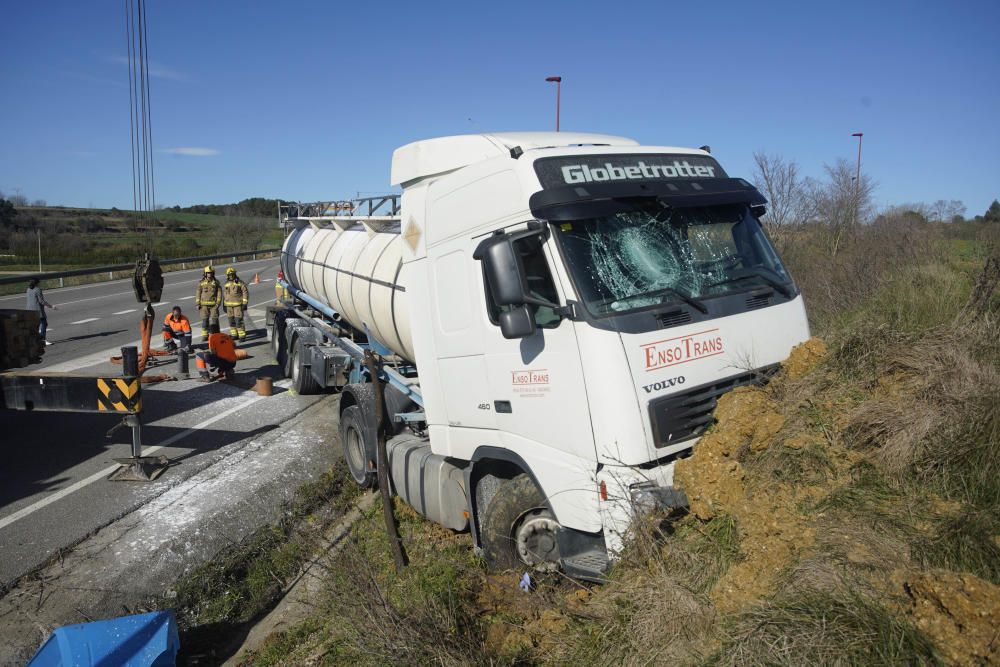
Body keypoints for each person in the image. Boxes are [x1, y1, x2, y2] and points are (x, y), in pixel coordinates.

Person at [25, 278, 57, 345]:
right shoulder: (38, 289)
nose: (40, 284)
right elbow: (41, 301)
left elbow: (33, 300)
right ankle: (43, 340)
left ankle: (34, 340)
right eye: (39, 282)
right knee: (44, 323)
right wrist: (51, 306)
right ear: (37, 283)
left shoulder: (28, 289)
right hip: (37, 311)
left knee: (35, 326)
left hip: (29, 310)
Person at [194, 266, 222, 340]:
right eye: (208, 273)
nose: (209, 274)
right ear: (205, 274)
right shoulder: (201, 283)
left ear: (213, 274)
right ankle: (205, 335)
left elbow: (219, 293)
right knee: (205, 321)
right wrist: (198, 303)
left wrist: (218, 304)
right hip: (204, 306)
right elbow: (198, 293)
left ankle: (216, 334)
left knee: (215, 321)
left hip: (213, 306)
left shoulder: (216, 283)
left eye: (211, 273)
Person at [223, 267, 249, 341]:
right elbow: (225, 295)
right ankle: (234, 335)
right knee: (231, 321)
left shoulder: (240, 283)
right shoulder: (226, 284)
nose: (231, 276)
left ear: (234, 274)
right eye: (229, 275)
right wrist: (224, 304)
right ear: (227, 275)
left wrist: (244, 303)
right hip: (228, 306)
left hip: (238, 305)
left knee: (239, 321)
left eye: (232, 274)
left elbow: (245, 292)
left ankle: (242, 336)